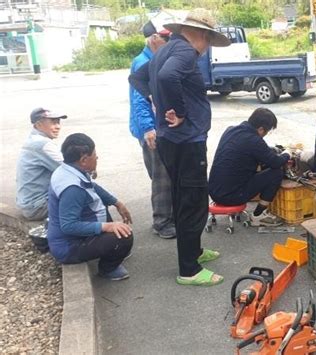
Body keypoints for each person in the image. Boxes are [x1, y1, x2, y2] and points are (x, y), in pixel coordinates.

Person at [129, 8, 231, 287]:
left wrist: (159, 102)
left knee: (183, 197)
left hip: (172, 141)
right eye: (208, 40)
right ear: (199, 34)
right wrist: (179, 111)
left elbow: (137, 79)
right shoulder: (184, 52)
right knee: (193, 202)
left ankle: (195, 250)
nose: (206, 48)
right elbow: (166, 78)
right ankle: (189, 270)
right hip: (187, 142)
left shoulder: (164, 50)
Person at [47, 133, 133, 281]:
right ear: (84, 160)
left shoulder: (69, 170)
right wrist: (106, 227)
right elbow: (68, 226)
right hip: (69, 247)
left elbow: (92, 187)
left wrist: (117, 203)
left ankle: (110, 249)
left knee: (101, 206)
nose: (97, 157)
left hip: (72, 237)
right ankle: (108, 269)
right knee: (125, 236)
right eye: (94, 154)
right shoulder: (72, 189)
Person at [129, 20, 175, 239]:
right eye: (165, 39)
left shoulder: (157, 58)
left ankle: (170, 217)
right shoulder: (142, 62)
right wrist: (149, 128)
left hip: (162, 127)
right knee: (161, 176)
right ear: (154, 39)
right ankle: (162, 222)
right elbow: (139, 99)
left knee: (167, 173)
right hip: (152, 130)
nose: (168, 43)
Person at [209, 108, 291, 226]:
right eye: (266, 132)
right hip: (232, 196)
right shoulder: (254, 141)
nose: (264, 135)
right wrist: (287, 154)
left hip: (214, 191)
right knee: (276, 173)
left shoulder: (230, 130)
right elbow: (275, 162)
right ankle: (258, 216)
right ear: (261, 129)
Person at [16, 107, 67, 220]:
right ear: (38, 125)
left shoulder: (33, 140)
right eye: (53, 123)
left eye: (58, 122)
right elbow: (71, 170)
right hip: (37, 207)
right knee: (87, 198)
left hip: (28, 204)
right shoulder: (42, 144)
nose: (58, 126)